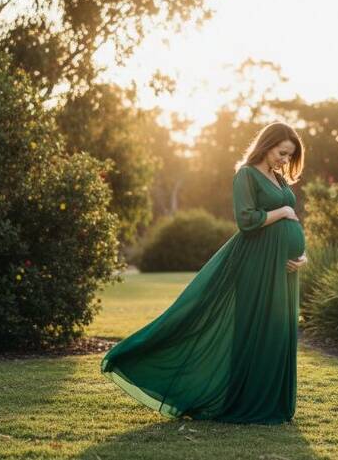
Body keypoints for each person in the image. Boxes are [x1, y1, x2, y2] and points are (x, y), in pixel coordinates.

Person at [100, 121, 308, 424]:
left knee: (279, 331)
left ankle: (274, 403)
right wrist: (284, 212)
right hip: (256, 265)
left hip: (285, 270)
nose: (284, 160)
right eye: (281, 152)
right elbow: (247, 221)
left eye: (289, 156)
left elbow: (292, 224)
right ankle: (248, 402)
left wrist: (301, 255)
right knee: (257, 330)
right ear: (267, 145)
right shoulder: (246, 175)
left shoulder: (279, 180)